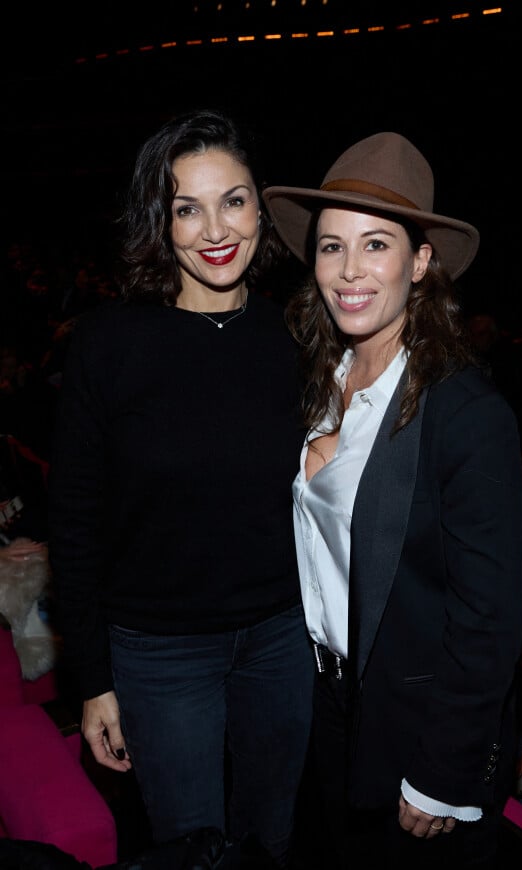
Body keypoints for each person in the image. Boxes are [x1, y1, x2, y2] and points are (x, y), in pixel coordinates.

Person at [48, 108, 314, 869]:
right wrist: (94, 680)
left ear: (261, 206)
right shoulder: (107, 345)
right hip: (160, 653)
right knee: (188, 853)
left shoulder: (296, 337)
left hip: (280, 641)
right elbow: (74, 521)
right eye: (185, 209)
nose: (214, 228)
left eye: (232, 200)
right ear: (158, 225)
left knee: (272, 842)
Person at [262, 132, 522, 868]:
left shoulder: (464, 412)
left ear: (420, 262)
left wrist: (443, 773)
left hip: (416, 726)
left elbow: (490, 618)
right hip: (324, 712)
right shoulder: (320, 381)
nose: (349, 271)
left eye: (376, 245)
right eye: (330, 247)